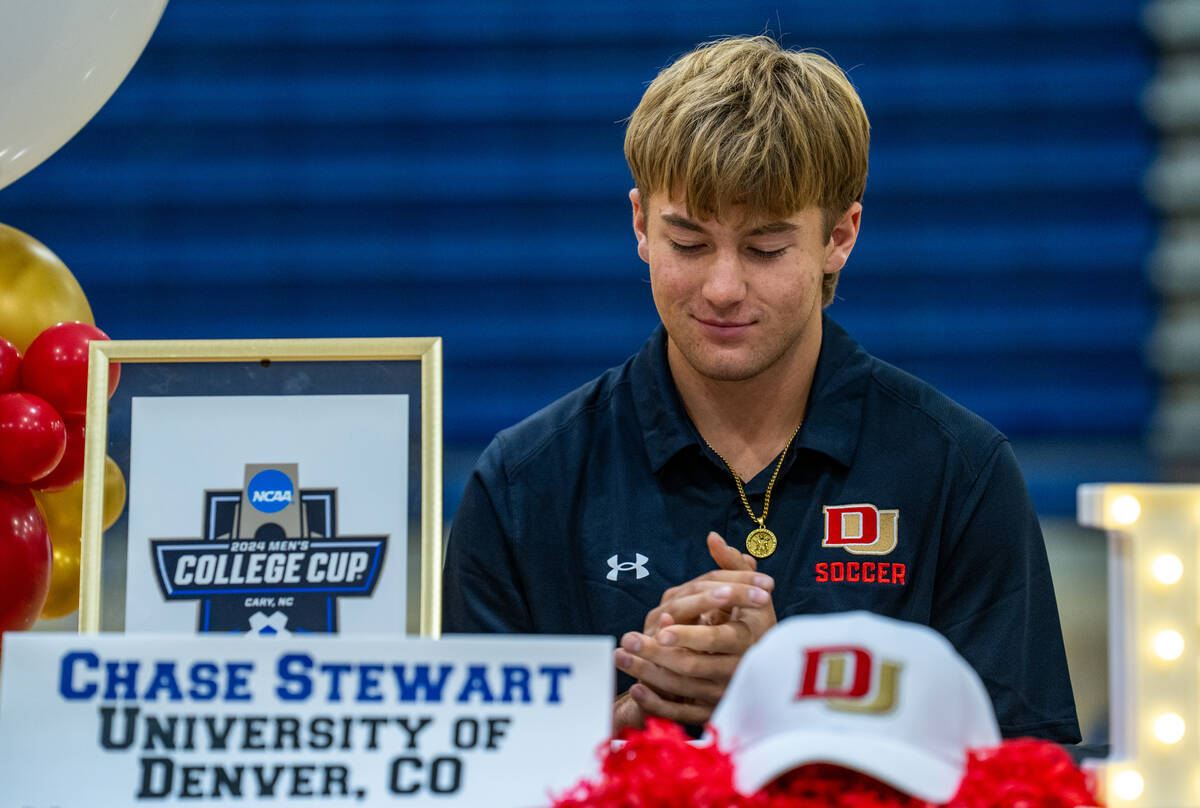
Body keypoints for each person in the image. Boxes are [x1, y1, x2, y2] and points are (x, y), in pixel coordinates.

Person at [442, 35, 1081, 744]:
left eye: (765, 248)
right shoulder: (523, 486)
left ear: (840, 236)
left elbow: (1022, 780)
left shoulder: (959, 473)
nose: (722, 288)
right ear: (639, 226)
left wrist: (783, 690)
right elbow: (476, 773)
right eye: (687, 242)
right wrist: (614, 738)